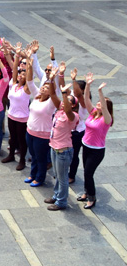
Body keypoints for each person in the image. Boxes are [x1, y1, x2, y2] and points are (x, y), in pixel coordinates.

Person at [45, 64, 79, 211]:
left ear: (72, 105)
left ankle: (61, 202)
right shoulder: (60, 110)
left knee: (63, 177)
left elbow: (66, 108)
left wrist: (65, 94)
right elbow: (53, 95)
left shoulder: (72, 115)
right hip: (54, 147)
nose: (64, 102)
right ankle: (57, 195)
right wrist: (52, 80)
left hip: (63, 150)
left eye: (68, 101)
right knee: (57, 175)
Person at [77, 73, 113, 210]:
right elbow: (86, 99)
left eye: (101, 103)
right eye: (98, 102)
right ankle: (86, 193)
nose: (98, 103)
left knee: (88, 173)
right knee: (86, 170)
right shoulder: (93, 114)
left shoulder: (106, 120)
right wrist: (88, 85)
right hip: (86, 146)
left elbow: (103, 107)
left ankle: (92, 198)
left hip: (96, 151)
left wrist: (100, 92)